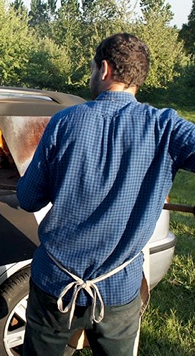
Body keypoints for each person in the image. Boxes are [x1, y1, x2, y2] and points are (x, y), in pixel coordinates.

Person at [16, 33, 195, 356]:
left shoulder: (63, 123)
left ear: (105, 68)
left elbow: (29, 199)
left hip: (55, 283)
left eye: (91, 68)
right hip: (119, 289)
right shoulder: (167, 128)